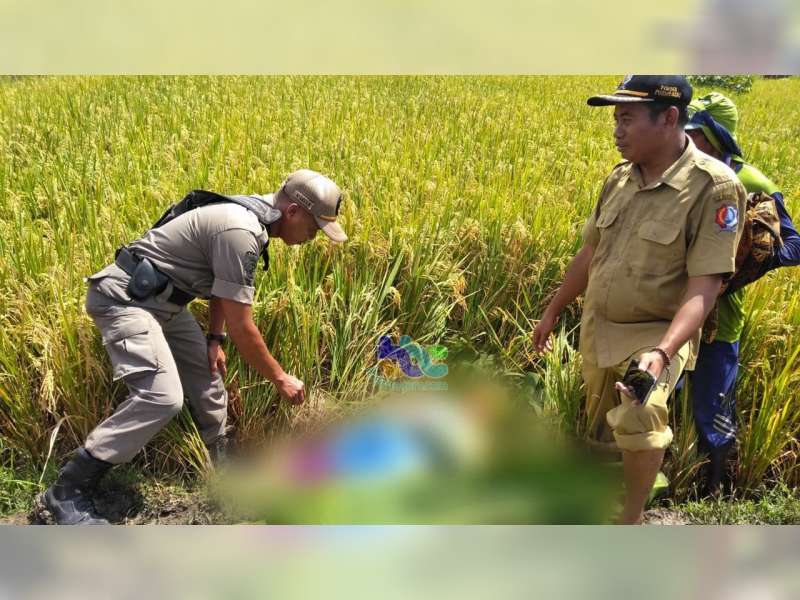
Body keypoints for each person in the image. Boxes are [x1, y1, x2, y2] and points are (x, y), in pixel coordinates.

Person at [42, 169, 347, 525]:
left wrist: (214, 339)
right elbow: (243, 326)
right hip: (125, 300)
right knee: (162, 398)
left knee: (208, 374)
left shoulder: (252, 222)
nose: (313, 237)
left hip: (166, 303)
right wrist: (280, 378)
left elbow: (222, 287)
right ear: (293, 211)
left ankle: (223, 472)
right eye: (314, 228)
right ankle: (68, 491)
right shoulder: (241, 230)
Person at [533, 75, 746, 524]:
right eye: (616, 119)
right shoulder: (619, 179)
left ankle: (630, 522)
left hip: (656, 333)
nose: (617, 131)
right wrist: (552, 312)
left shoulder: (713, 187)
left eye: (627, 119)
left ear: (669, 117)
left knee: (640, 410)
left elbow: (705, 286)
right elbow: (590, 253)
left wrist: (663, 352)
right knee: (602, 432)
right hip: (600, 328)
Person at [683, 92, 800, 495]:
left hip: (721, 322)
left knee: (713, 407)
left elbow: (794, 245)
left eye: (695, 133)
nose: (686, 139)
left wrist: (743, 268)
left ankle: (715, 490)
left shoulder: (752, 182)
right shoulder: (681, 174)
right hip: (672, 310)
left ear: (717, 136)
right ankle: (671, 478)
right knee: (667, 398)